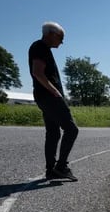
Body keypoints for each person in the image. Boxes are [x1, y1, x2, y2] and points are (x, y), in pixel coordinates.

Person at [29, 21, 79, 181]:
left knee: (53, 132)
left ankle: (51, 170)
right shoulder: (40, 47)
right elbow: (37, 72)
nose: (61, 42)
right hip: (49, 96)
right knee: (71, 129)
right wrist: (55, 91)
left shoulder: (41, 48)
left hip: (43, 96)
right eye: (61, 38)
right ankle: (61, 166)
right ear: (51, 34)